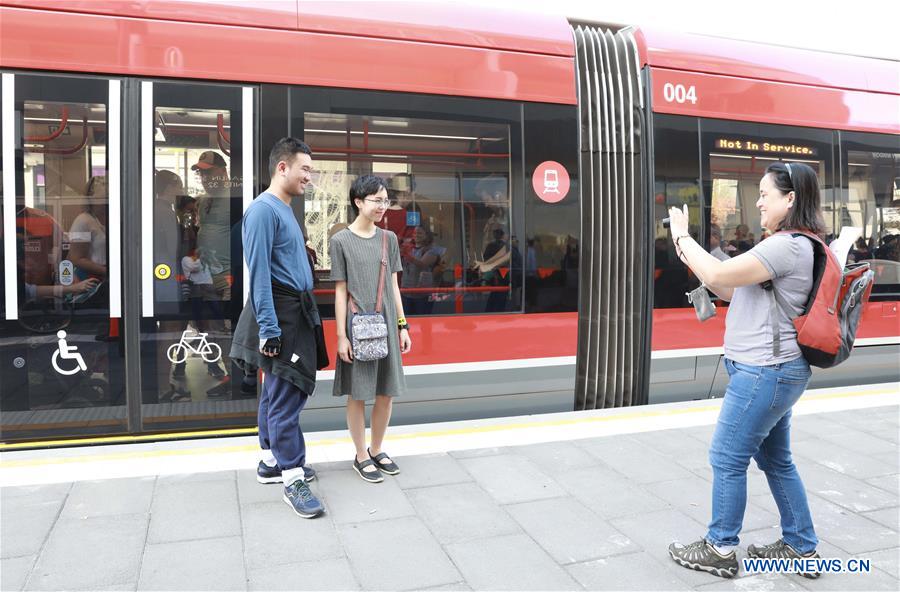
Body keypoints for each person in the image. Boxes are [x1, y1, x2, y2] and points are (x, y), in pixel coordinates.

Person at [666, 162, 823, 579]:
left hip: (764, 373)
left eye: (764, 194)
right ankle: (800, 545)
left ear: (790, 199)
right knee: (777, 461)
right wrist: (700, 264)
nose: (758, 202)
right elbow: (729, 287)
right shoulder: (790, 245)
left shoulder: (787, 246)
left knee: (726, 457)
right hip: (774, 371)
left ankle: (720, 547)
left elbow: (718, 272)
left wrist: (682, 236)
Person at [229, 138, 324, 518]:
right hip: (281, 317)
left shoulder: (283, 208)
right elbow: (260, 277)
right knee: (289, 393)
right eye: (305, 169)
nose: (309, 177)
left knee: (273, 391)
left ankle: (270, 461)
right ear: (282, 168)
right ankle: (292, 476)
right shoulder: (262, 211)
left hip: (292, 312)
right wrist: (269, 329)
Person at [331, 174, 411, 484]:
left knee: (386, 393)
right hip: (357, 325)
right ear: (358, 202)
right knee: (358, 394)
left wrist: (403, 325)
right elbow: (340, 291)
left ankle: (377, 448)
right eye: (376, 200)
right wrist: (341, 336)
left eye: (385, 200)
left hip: (387, 323)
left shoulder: (388, 239)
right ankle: (360, 454)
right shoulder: (340, 240)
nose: (382, 206)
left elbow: (394, 286)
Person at [192, 151, 232, 395]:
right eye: (201, 173)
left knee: (228, 328)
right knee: (213, 329)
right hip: (205, 275)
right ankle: (224, 372)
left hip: (228, 275)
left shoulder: (237, 197)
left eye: (209, 171)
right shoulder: (203, 201)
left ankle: (237, 376)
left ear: (222, 171)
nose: (205, 177)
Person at [402, 227, 443, 315]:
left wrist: (405, 254)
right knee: (406, 321)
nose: (416, 235)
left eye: (420, 233)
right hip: (406, 292)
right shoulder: (410, 249)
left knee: (423, 321)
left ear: (427, 236)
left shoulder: (432, 251)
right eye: (415, 233)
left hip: (422, 294)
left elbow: (422, 264)